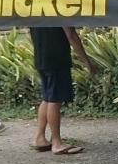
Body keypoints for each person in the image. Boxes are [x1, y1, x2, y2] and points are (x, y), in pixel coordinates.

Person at [30, 26, 96, 155]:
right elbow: (71, 34)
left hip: (41, 57)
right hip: (57, 59)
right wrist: (87, 62)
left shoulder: (36, 14)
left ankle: (40, 137)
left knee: (47, 98)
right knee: (55, 100)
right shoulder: (60, 14)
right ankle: (57, 143)